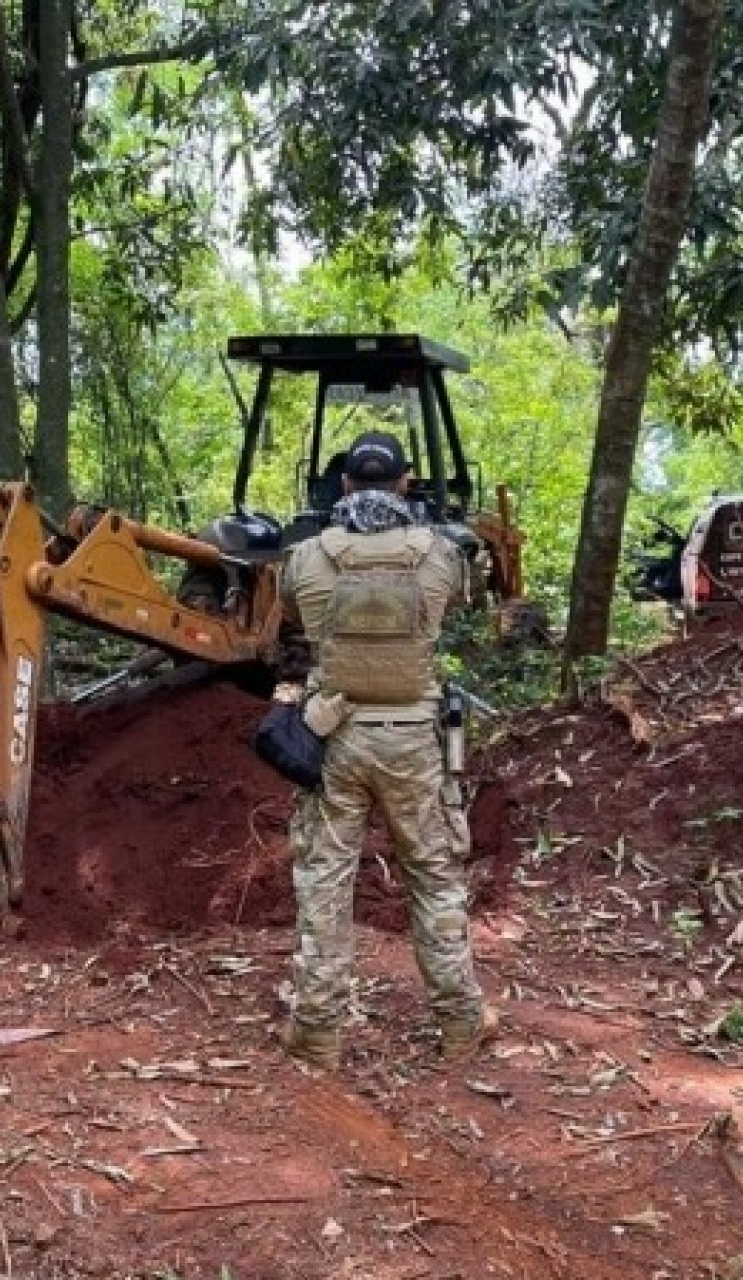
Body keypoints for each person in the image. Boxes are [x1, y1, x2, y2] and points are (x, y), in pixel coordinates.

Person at [273, 430, 493, 1069]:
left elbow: (291, 614)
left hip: (332, 738)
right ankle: (459, 1022)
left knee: (324, 880)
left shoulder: (306, 558)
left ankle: (317, 1030)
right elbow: (463, 600)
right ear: (404, 483)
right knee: (434, 875)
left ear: (343, 484)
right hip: (415, 741)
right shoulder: (441, 556)